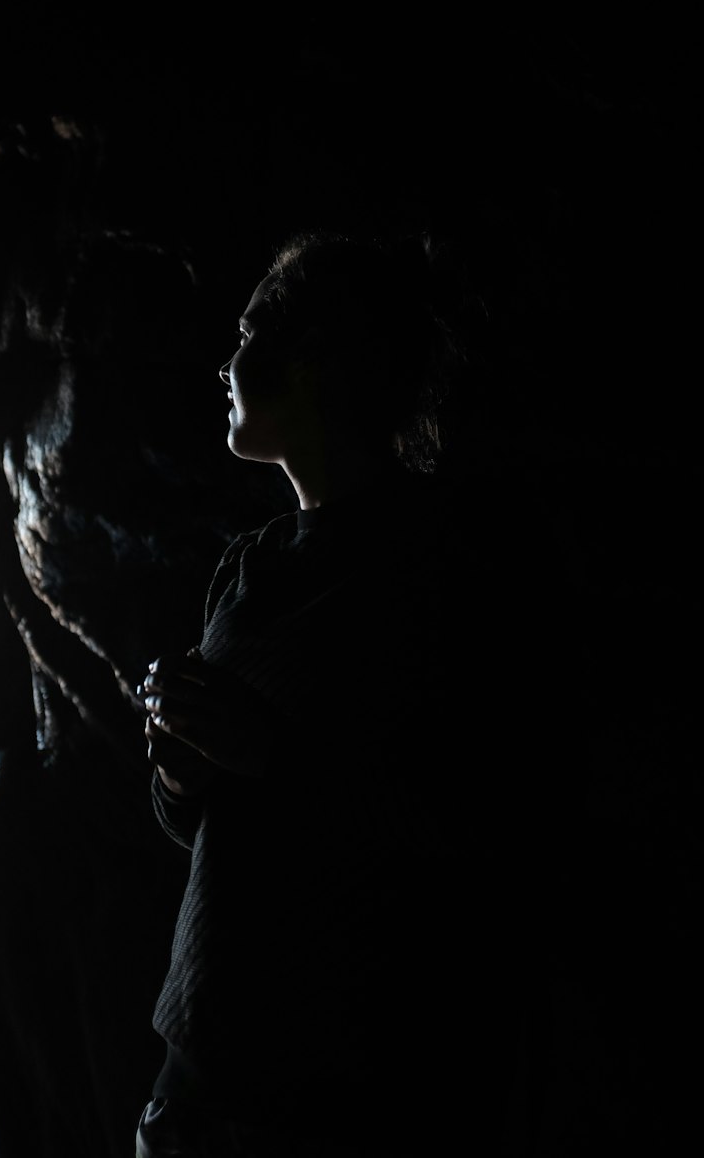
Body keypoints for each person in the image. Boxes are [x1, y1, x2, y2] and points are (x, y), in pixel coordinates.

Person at [134, 229, 551, 1157]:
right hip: (197, 1060)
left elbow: (480, 823)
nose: (223, 366)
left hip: (342, 1085)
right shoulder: (247, 567)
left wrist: (267, 751)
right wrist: (183, 772)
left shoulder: (443, 560)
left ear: (314, 360)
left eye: (247, 334)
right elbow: (208, 823)